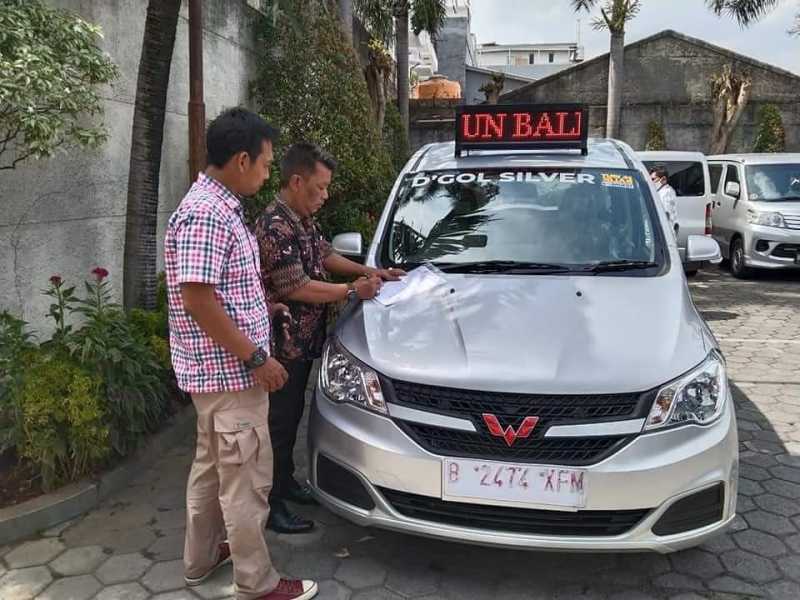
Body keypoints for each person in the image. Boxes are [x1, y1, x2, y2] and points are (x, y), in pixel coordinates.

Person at [165, 108, 318, 600]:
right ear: (242, 159)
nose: (269, 172)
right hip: (231, 378)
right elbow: (198, 299)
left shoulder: (219, 207)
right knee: (246, 483)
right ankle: (258, 582)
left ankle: (202, 557)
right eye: (267, 164)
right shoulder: (207, 214)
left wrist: (261, 305)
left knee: (212, 469)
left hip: (218, 379)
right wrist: (257, 358)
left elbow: (217, 291)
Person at [254, 142, 404, 534]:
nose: (325, 195)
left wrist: (373, 271)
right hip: (280, 346)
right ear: (296, 181)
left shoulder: (301, 218)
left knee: (290, 421)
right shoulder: (275, 225)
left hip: (303, 345)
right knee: (277, 425)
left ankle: (284, 483)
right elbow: (297, 287)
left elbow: (323, 256)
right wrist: (353, 290)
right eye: (319, 188)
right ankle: (270, 504)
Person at [650, 167, 678, 236]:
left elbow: (665, 214)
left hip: (665, 233)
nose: (650, 182)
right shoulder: (660, 191)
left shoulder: (666, 193)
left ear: (663, 179)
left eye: (653, 179)